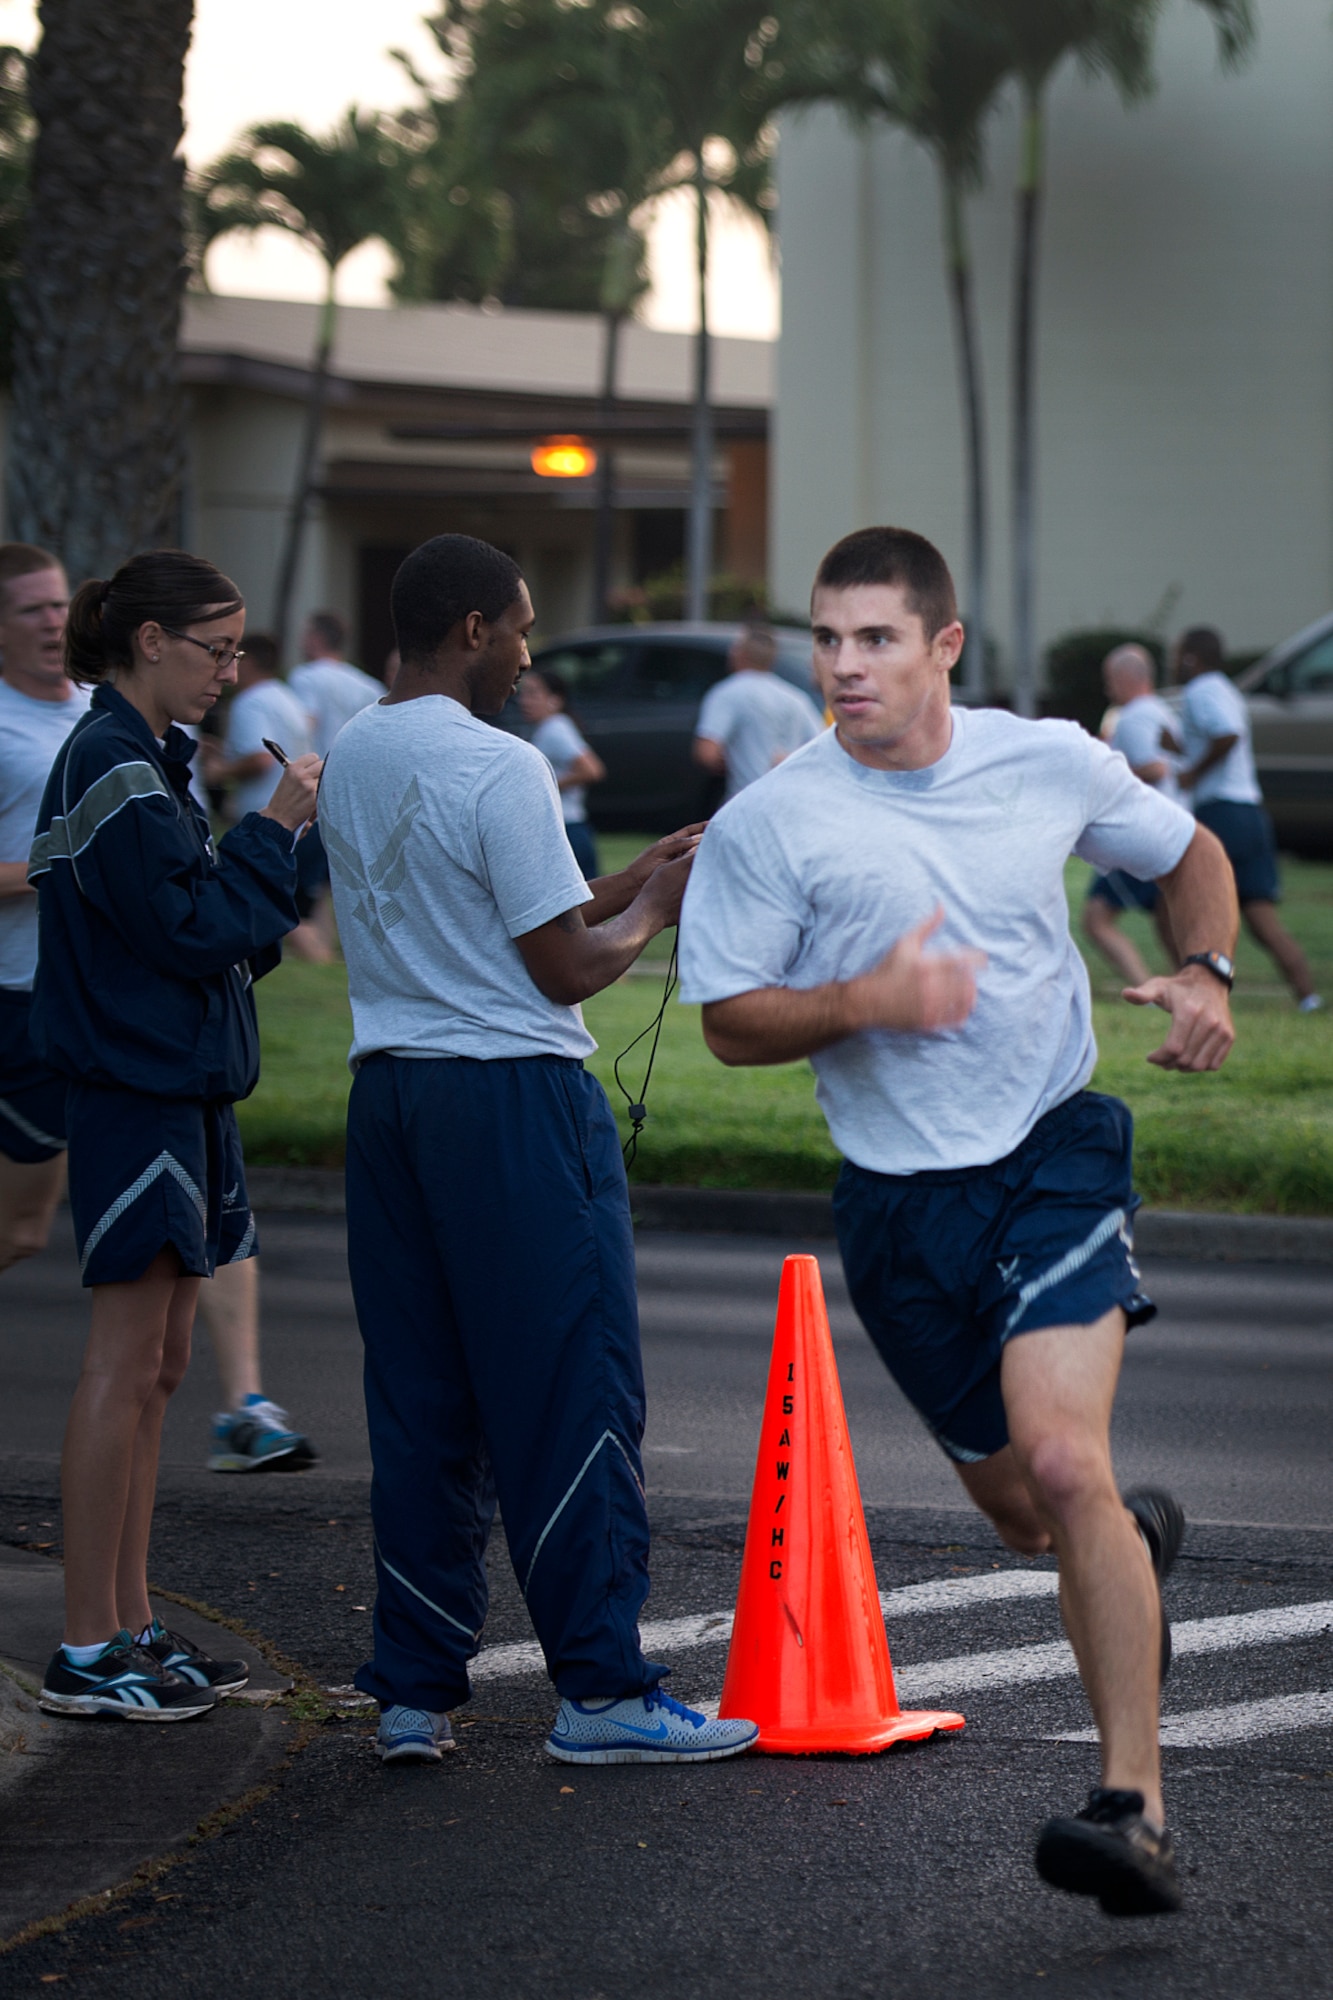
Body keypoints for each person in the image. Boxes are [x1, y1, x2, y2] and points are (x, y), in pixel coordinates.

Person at [679, 526, 1239, 1916]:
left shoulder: (1042, 760)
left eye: (874, 637)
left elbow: (1189, 852)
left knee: (1061, 1463)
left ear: (943, 647)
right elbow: (730, 1025)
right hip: (896, 1209)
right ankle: (1120, 1547)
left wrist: (1205, 969)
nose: (844, 665)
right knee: (1023, 1515)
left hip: (1052, 1151)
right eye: (826, 637)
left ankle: (1133, 1810)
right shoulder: (774, 819)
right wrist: (862, 1002)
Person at [319, 532, 758, 1769]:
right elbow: (565, 963)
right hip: (511, 1100)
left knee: (422, 1401)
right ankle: (603, 1692)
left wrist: (633, 871)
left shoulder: (354, 749)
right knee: (571, 1393)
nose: (525, 653)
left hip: (390, 1094)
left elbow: (512, 902)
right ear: (469, 629)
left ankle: (412, 1691)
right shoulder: (502, 763)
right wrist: (660, 912)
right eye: (516, 627)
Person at [28, 550, 321, 1722]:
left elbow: (215, 934)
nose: (231, 673)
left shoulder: (153, 762)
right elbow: (188, 927)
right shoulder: (108, 762)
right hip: (134, 1089)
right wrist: (276, 830)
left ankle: (133, 1618)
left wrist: (258, 858)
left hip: (184, 1085)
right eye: (215, 649)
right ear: (149, 641)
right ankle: (86, 1642)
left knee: (159, 1366)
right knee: (122, 1361)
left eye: (239, 650)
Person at [0, 544, 85, 1271]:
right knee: (20, 1229)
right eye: (33, 609)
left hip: (83, 993)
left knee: (26, 1230)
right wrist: (62, 864)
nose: (55, 621)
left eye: (60, 603)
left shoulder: (101, 711)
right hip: (11, 993)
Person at [1173, 625, 1321, 1009]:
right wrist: (1174, 748)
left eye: (1179, 653)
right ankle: (1309, 997)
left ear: (1191, 657)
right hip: (1251, 812)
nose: (1175, 661)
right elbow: (1217, 736)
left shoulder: (1201, 690)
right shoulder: (1227, 690)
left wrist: (1193, 773)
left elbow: (1227, 735)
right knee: (1260, 916)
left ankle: (1195, 993)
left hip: (1221, 811)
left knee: (1192, 908)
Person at [205, 632, 330, 963]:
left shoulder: (251, 701)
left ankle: (325, 968)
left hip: (276, 822)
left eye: (234, 657)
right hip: (307, 818)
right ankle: (327, 965)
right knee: (305, 908)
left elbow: (259, 759)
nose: (228, 670)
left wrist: (219, 772)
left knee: (285, 917)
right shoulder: (286, 697)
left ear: (249, 664)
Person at [1083, 645, 1184, 987]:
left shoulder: (1134, 716)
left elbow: (1154, 770)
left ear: (1128, 678)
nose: (1108, 688)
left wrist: (1110, 774)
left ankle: (1145, 988)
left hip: (1141, 831)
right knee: (1166, 923)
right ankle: (1196, 986)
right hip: (1171, 828)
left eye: (1110, 679)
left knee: (1096, 919)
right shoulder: (1163, 712)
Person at [692, 620, 825, 799]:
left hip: (745, 802)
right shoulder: (796, 697)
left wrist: (737, 758)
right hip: (788, 803)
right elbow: (821, 748)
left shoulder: (728, 693)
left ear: (739, 653)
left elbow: (706, 753)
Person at [518, 666, 606, 877]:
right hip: (569, 827)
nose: (524, 701)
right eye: (523, 694)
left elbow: (592, 770)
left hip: (568, 828)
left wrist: (546, 786)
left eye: (533, 693)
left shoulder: (555, 729)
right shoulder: (550, 727)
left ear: (555, 699)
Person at [288, 610, 383, 758]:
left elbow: (303, 728)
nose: (300, 641)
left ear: (316, 638)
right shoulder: (369, 685)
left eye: (305, 634)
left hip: (319, 770)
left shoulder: (306, 676)